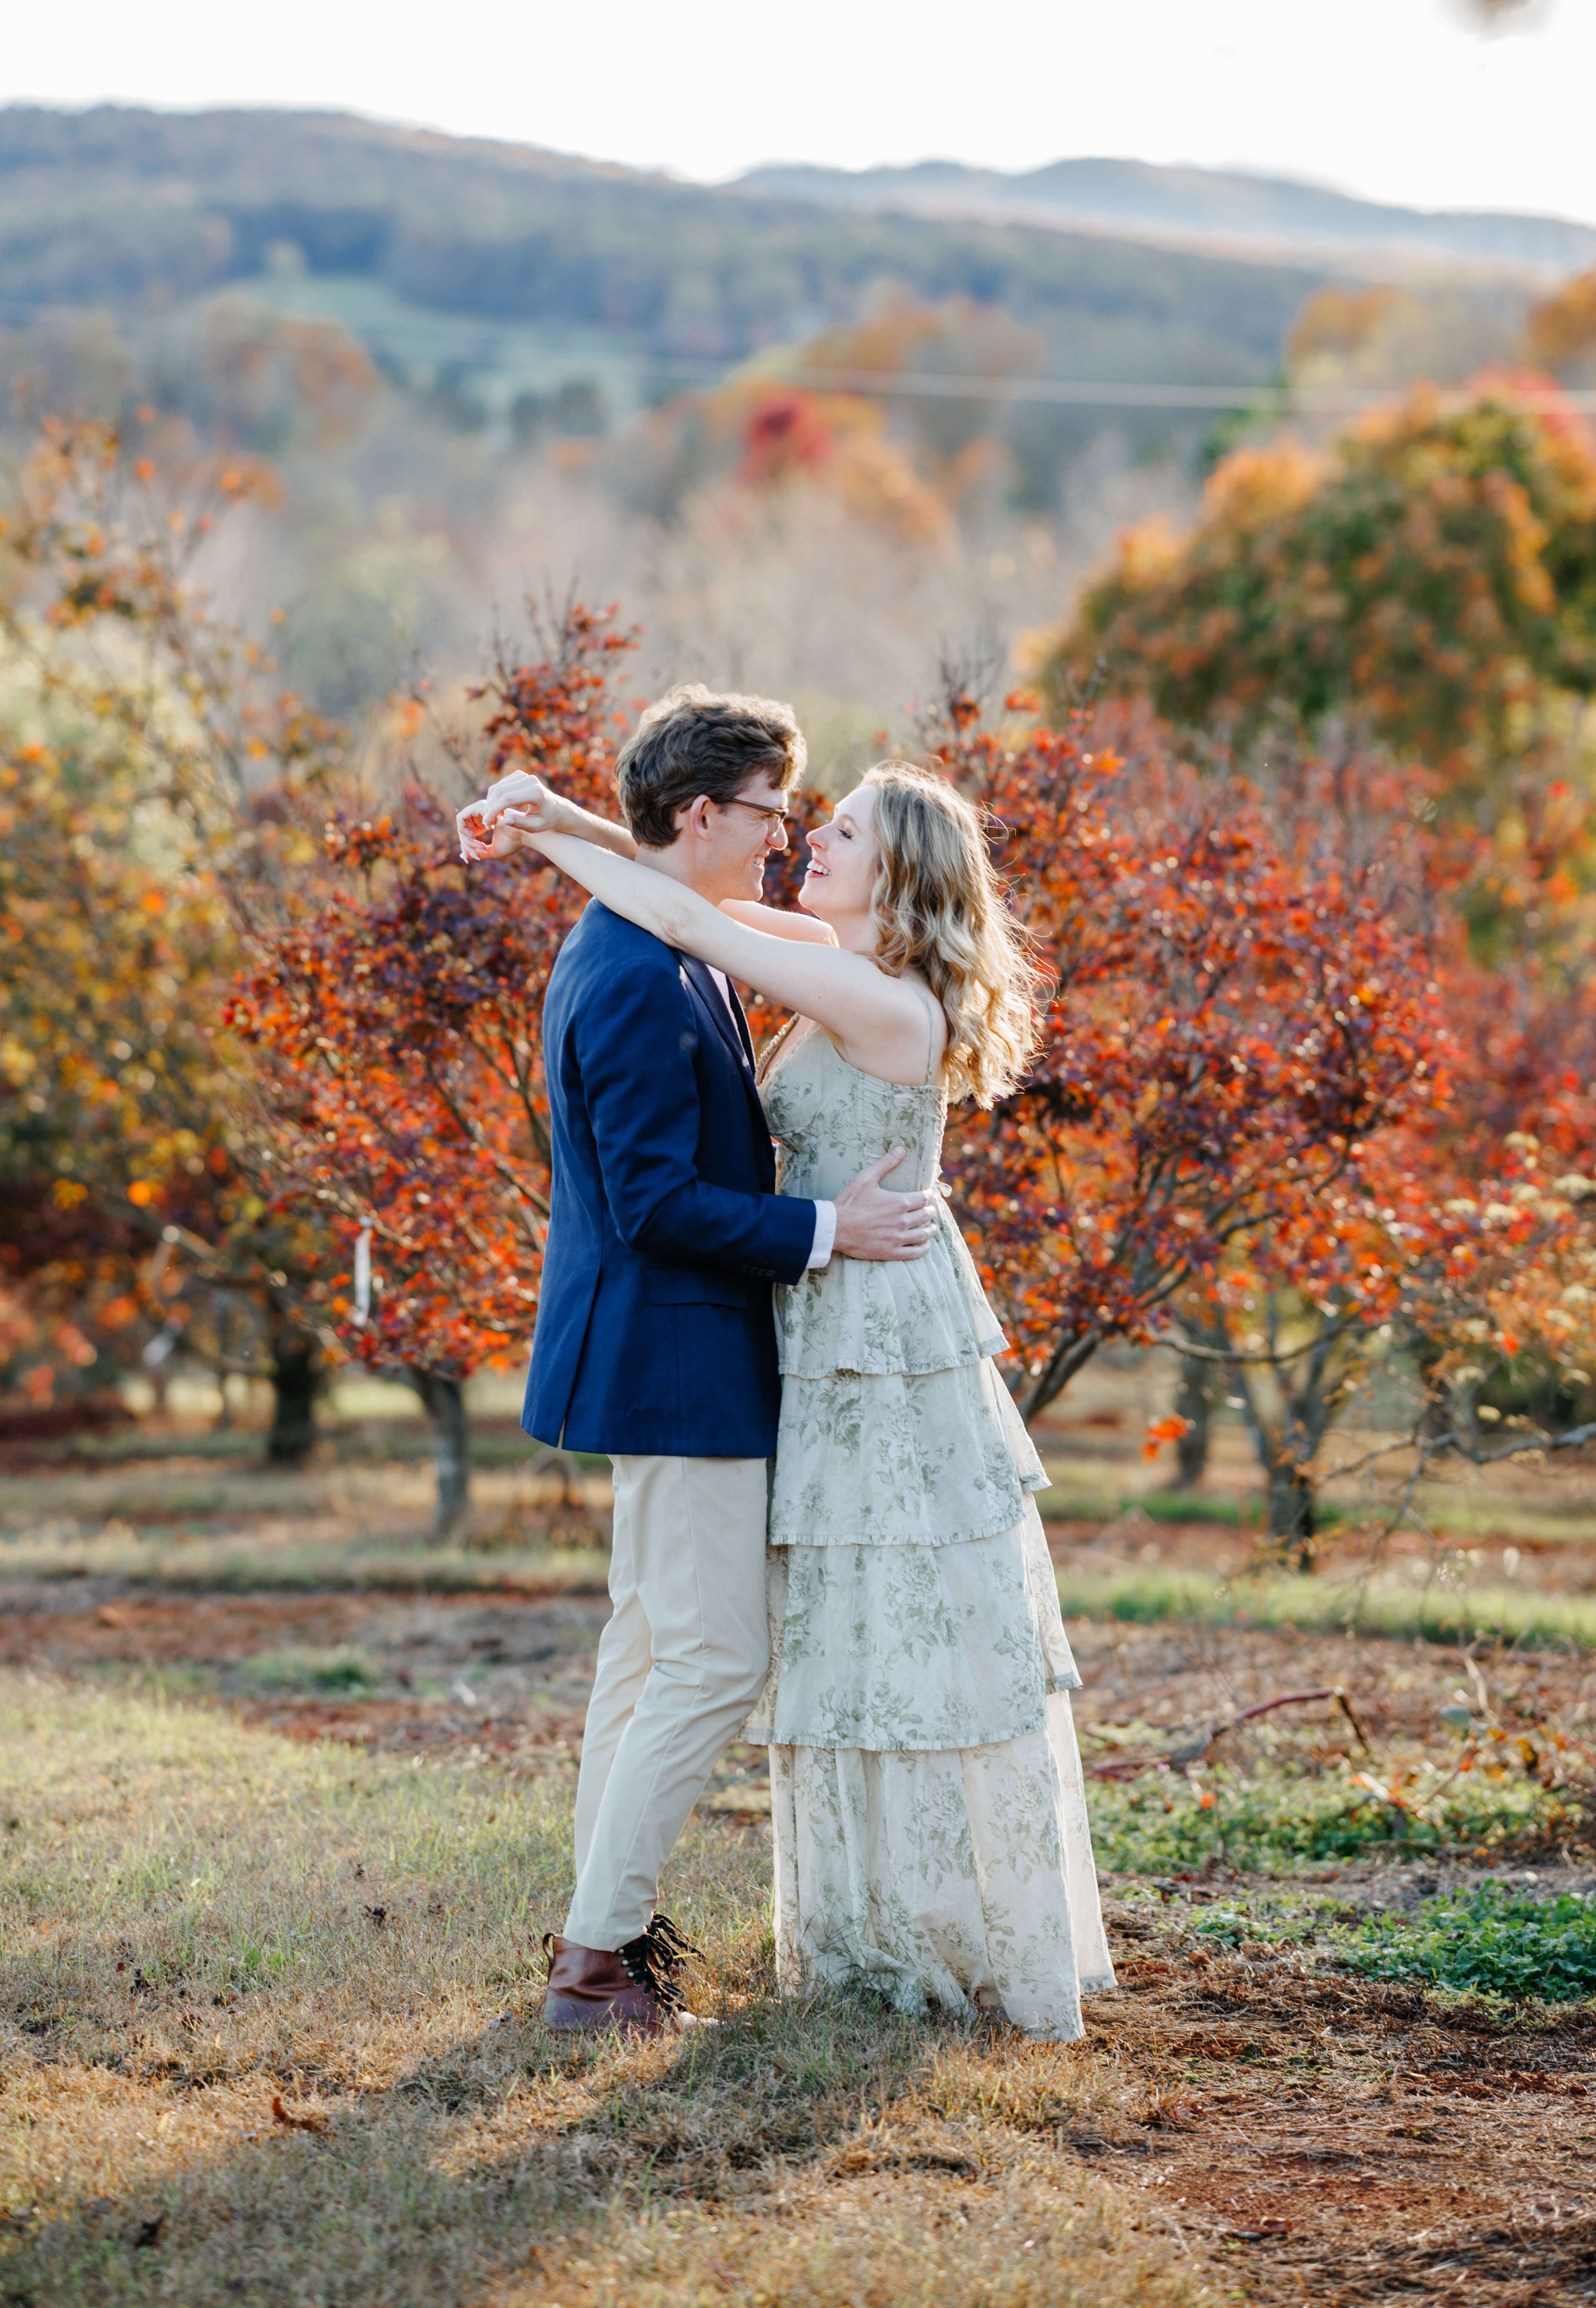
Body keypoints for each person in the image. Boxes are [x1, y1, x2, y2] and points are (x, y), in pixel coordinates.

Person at [460, 740, 1114, 2041]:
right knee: (710, 1645)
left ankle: (885, 1919)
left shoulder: (885, 1001)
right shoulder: (835, 962)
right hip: (809, 1319)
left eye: (846, 833)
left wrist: (539, 829)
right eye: (799, 819)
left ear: (902, 879)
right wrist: (560, 816)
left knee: (875, 1634)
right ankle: (612, 1950)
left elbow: (687, 902)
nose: (810, 837)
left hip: (872, 1333)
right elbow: (679, 883)